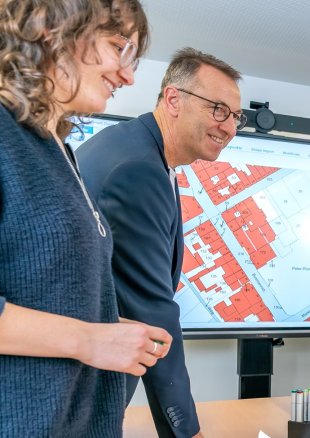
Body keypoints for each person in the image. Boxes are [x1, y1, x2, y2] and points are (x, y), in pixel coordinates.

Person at [0, 0, 174, 436]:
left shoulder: (56, 151)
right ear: (52, 30)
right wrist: (90, 339)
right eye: (119, 46)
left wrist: (106, 327)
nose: (129, 75)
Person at [76, 47, 244, 438]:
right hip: (79, 387)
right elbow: (153, 312)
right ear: (173, 99)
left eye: (236, 116)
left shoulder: (138, 150)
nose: (230, 128)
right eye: (218, 109)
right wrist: (188, 433)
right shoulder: (138, 168)